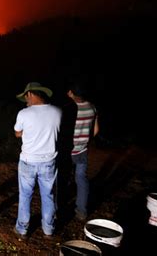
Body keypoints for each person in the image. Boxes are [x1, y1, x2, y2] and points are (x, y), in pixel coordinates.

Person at [13, 82, 61, 240]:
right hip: (48, 161)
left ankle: (22, 229)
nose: (26, 100)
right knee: (48, 196)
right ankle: (48, 229)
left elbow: (17, 133)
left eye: (26, 96)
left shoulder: (23, 113)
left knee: (25, 195)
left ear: (30, 94)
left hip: (28, 160)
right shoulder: (57, 111)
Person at [67, 81, 99, 221]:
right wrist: (86, 139)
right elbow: (96, 130)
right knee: (81, 179)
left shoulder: (69, 109)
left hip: (68, 150)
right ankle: (81, 211)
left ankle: (59, 208)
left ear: (72, 93)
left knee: (62, 180)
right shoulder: (92, 107)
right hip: (83, 149)